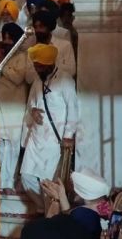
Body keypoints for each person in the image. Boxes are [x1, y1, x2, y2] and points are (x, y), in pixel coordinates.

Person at [20, 44, 79, 213]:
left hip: (55, 141)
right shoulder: (37, 81)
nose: (37, 69)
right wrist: (33, 111)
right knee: (26, 177)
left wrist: (68, 135)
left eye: (40, 66)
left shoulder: (65, 79)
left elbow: (73, 109)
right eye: (35, 65)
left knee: (49, 182)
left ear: (49, 64)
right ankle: (42, 209)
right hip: (36, 138)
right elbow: (31, 103)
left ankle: (49, 214)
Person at [0, 23, 29, 195]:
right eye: (4, 38)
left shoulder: (24, 56)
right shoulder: (3, 54)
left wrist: (1, 62)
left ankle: (8, 182)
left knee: (12, 143)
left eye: (9, 38)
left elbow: (18, 78)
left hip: (14, 105)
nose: (6, 41)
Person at [26, 10, 77, 80]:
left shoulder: (65, 45)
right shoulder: (32, 49)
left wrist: (49, 65)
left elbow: (71, 71)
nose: (38, 30)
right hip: (38, 88)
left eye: (41, 26)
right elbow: (29, 78)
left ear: (49, 27)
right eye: (36, 27)